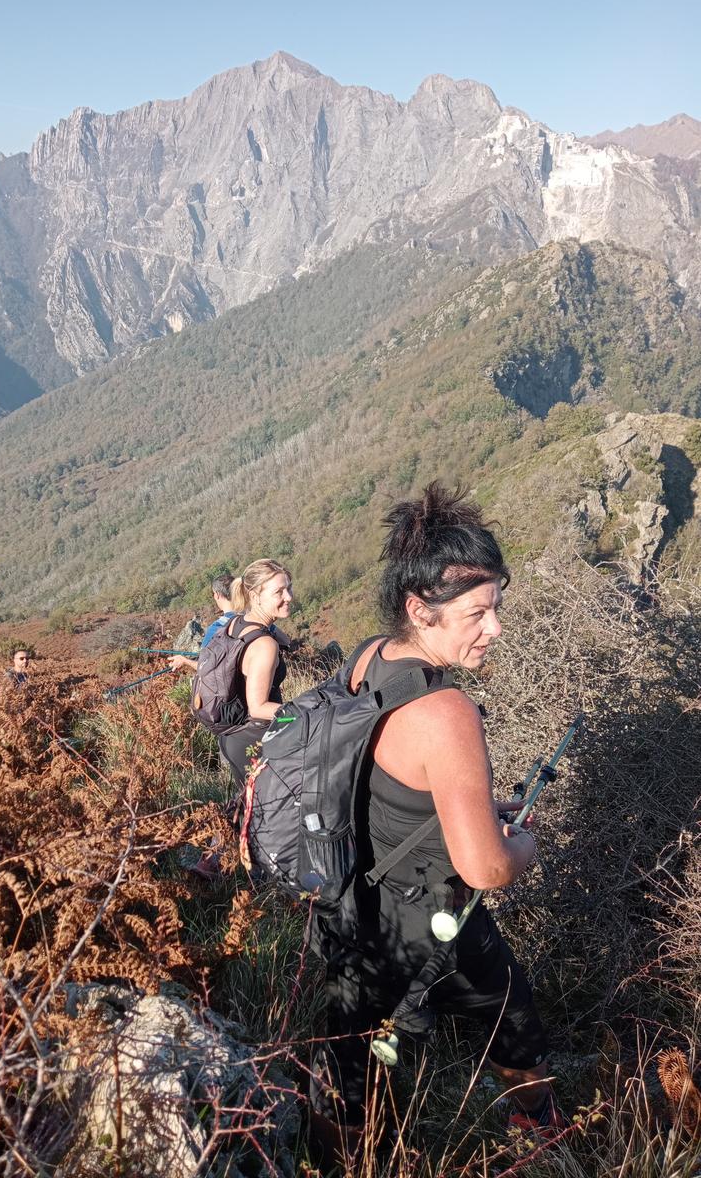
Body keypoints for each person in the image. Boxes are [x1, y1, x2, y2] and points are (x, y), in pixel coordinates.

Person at [311, 483, 562, 1165]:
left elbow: (389, 779)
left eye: (497, 607)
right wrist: (524, 844)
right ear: (419, 609)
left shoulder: (369, 657)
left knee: (353, 1060)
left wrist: (470, 810)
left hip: (350, 898)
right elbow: (486, 868)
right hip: (431, 915)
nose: (495, 628)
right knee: (510, 1013)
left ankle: (338, 1161)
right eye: (477, 612)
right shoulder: (447, 712)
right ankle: (540, 1132)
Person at [215, 559, 293, 793]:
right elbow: (258, 707)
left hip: (233, 737)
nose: (289, 596)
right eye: (279, 592)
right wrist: (299, 712)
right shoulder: (264, 644)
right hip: (257, 739)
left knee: (250, 808)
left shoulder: (237, 623)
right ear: (255, 596)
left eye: (289, 588)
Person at [170, 574, 237, 675]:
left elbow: (203, 666)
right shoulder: (251, 619)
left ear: (217, 595)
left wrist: (184, 661)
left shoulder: (217, 628)